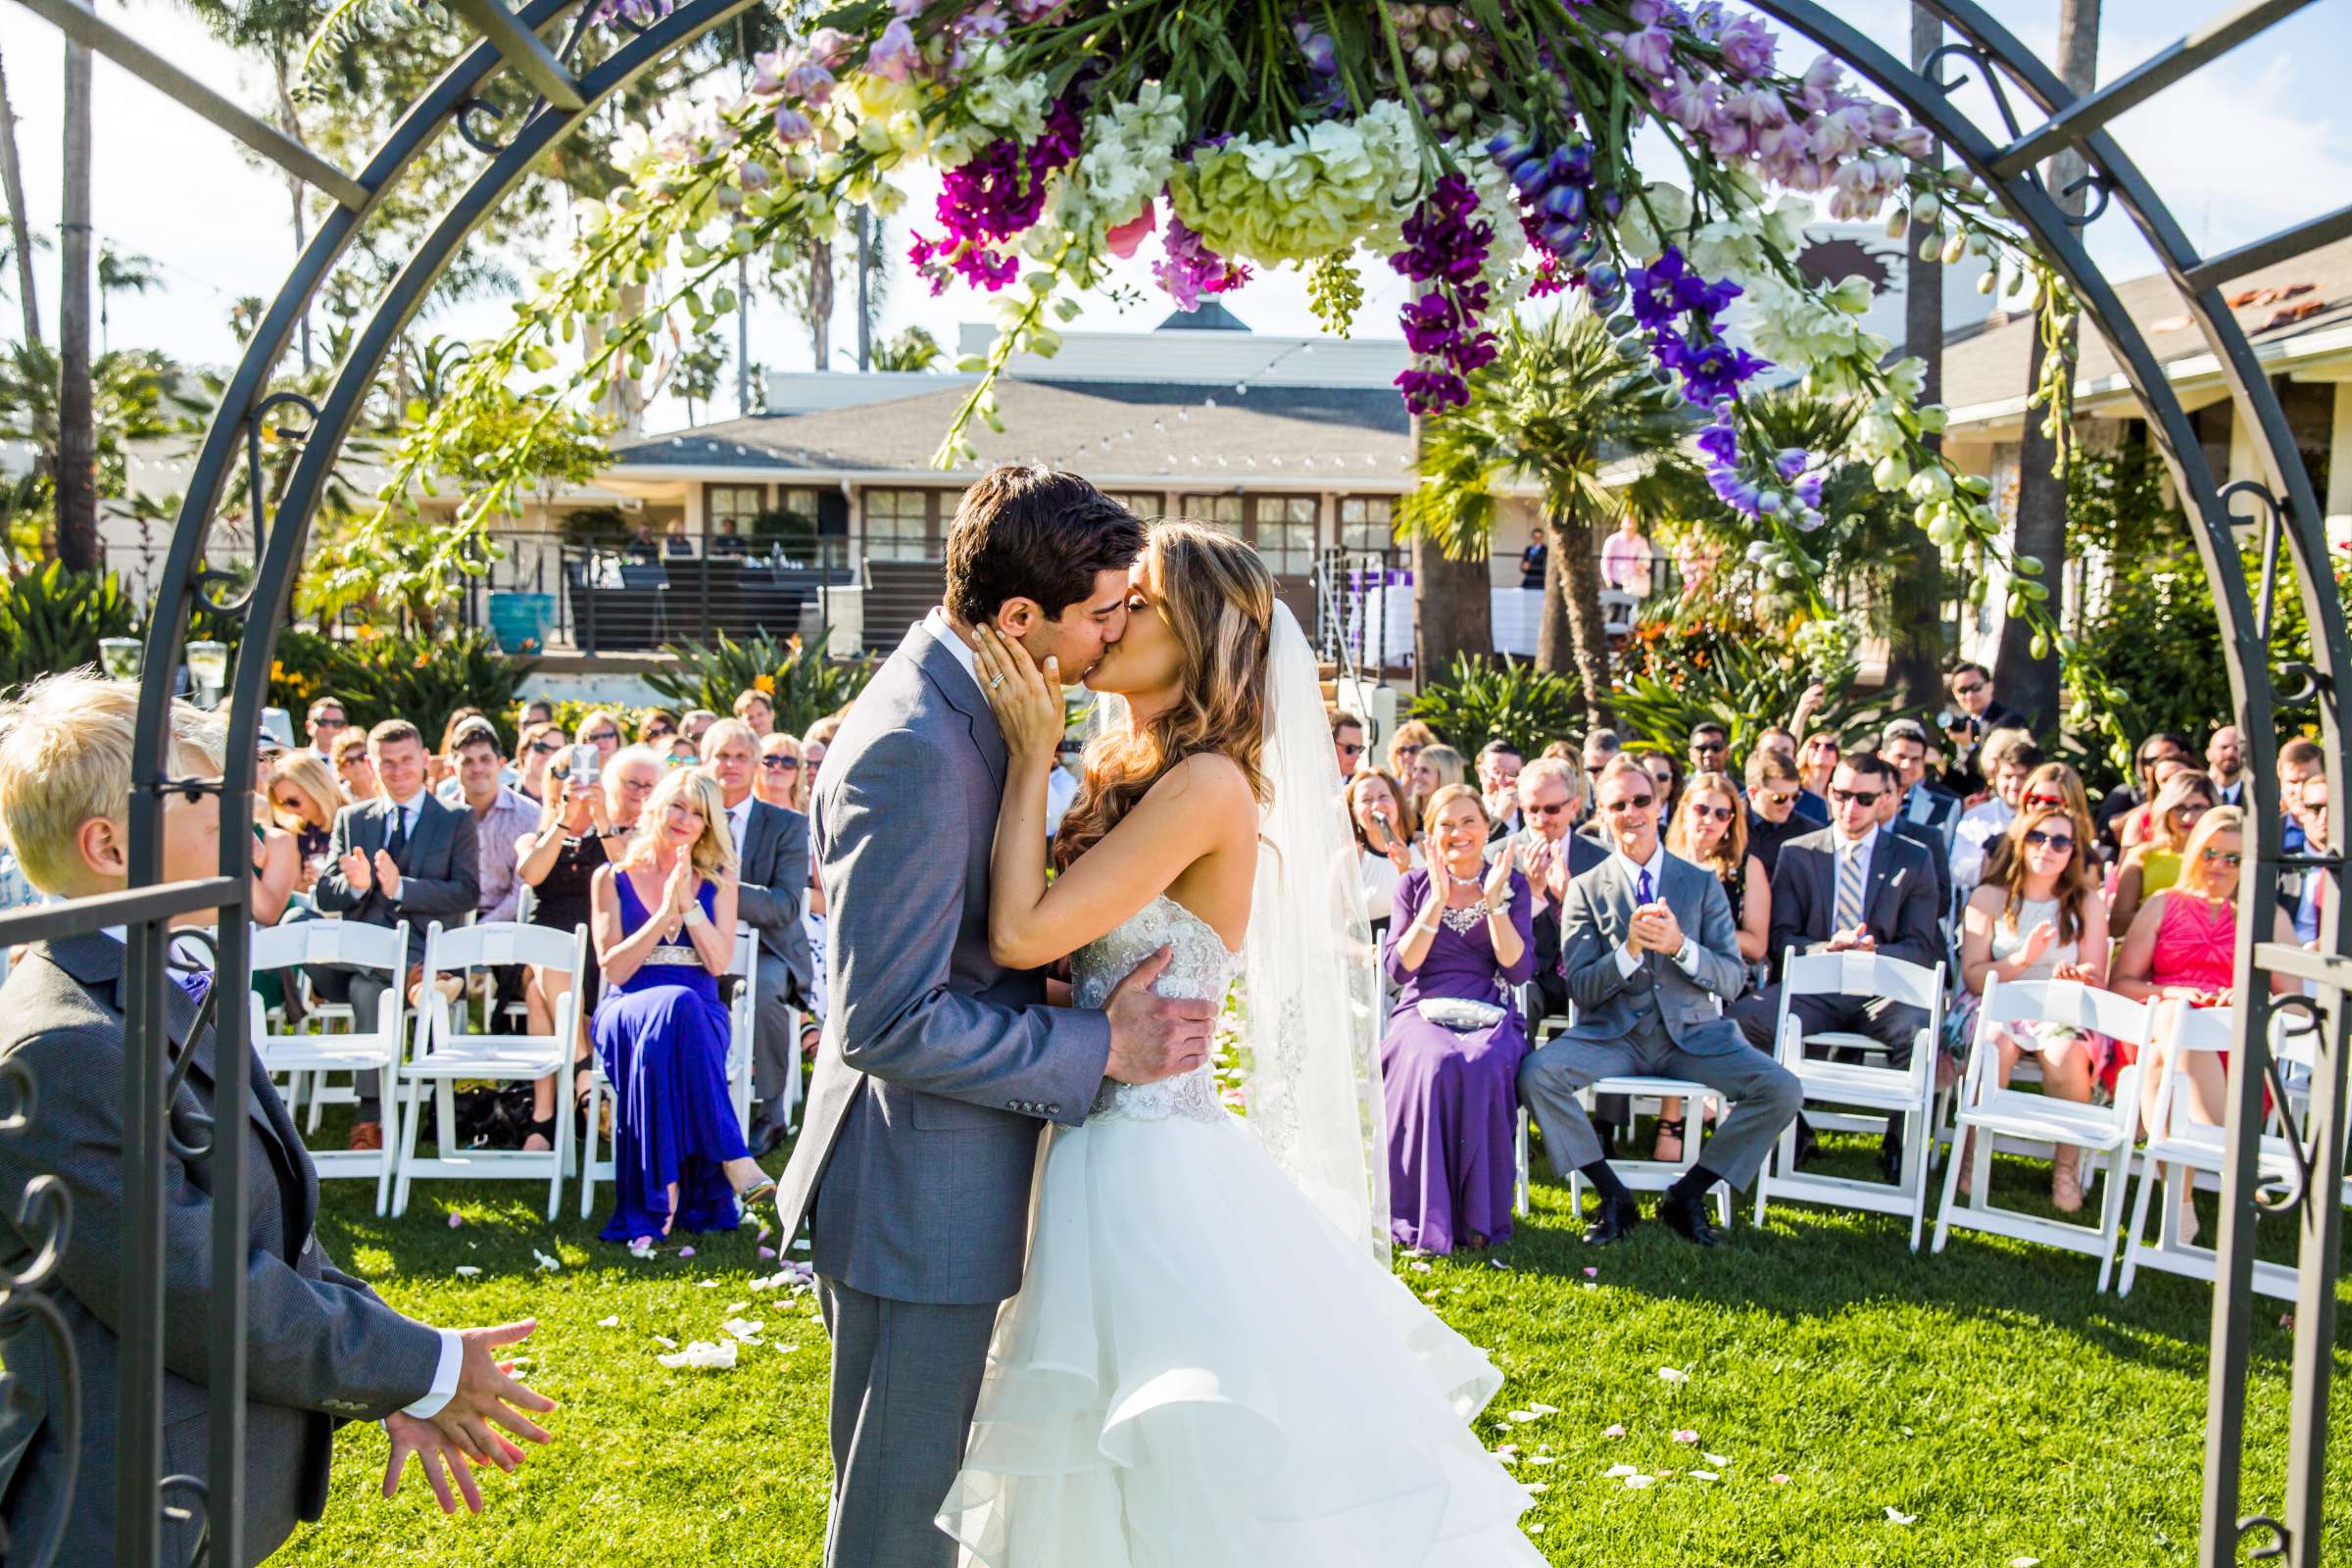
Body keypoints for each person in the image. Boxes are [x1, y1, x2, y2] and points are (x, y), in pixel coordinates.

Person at [949, 514, 1547, 1561]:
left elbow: (1021, 927)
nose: (1110, 617)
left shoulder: (1207, 787)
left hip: (1149, 1166)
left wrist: (1028, 751)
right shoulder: (1137, 769)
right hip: (1094, 1139)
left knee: (1169, 1472)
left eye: (1137, 603)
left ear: (1200, 640)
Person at [0, 672, 555, 1561]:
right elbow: (197, 1287)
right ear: (109, 844)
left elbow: (263, 1226)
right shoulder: (65, 1044)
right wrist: (424, 1369)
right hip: (118, 1504)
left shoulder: (167, 972)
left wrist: (398, 1376)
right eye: (201, 800)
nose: (246, 824)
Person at [772, 466, 1214, 1568]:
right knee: (899, 1523)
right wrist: (1097, 1044)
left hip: (949, 1178)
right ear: (1018, 617)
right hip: (922, 1199)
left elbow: (955, 950)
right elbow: (886, 1018)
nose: (1115, 634)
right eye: (1103, 610)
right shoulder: (919, 746)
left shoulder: (974, 705)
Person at [1518, 756, 1803, 1247]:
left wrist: (1680, 947)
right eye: (1618, 804)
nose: (1631, 812)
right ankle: (1612, 1194)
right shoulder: (1586, 890)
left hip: (1693, 1035)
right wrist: (1628, 952)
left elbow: (1733, 978)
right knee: (1536, 1075)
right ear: (1602, 814)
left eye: (1641, 801)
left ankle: (1689, 1193)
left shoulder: (1700, 882)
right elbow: (1582, 987)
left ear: (1660, 805)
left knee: (1782, 1090)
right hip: (1614, 1034)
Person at [588, 768, 775, 1244]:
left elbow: (717, 963)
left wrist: (690, 906)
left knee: (683, 1009)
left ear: (709, 825)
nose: (685, 819)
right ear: (655, 806)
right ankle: (733, 1157)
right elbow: (615, 970)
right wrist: (663, 913)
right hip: (627, 1009)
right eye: (678, 806)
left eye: (698, 813)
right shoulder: (611, 877)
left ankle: (661, 1194)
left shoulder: (720, 880)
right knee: (677, 1005)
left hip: (698, 1015)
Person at [1735, 752, 1942, 1178]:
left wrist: (1873, 955)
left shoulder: (1914, 857)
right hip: (1817, 988)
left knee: (1922, 1033)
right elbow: (1781, 939)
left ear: (1886, 798)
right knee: (1739, 1023)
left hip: (1884, 990)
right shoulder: (1798, 853)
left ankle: (1898, 1142)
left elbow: (1922, 947)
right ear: (1828, 792)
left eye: (1864, 799)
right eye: (1841, 794)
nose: (1851, 808)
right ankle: (1793, 1125)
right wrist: (1826, 949)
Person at [2110, 806, 2297, 1244]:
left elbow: (2297, 1008)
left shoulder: (2268, 918)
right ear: (2196, 851)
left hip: (2235, 1050)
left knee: (2164, 1056)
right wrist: (2175, 994)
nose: (2220, 866)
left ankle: (2182, 1202)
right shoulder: (2163, 905)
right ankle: (2238, 1169)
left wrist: (2251, 1000)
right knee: (2176, 1022)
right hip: (2158, 1024)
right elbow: (2121, 985)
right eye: (2212, 853)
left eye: (2234, 859)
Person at [310, 720, 480, 1152]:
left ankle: (370, 1117)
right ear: (371, 764)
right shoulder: (352, 819)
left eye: (407, 760)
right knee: (300, 930)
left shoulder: (455, 820)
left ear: (425, 760)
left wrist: (400, 888)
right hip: (372, 953)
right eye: (387, 762)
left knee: (367, 990)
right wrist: (358, 884)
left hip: (424, 944)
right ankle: (413, 977)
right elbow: (325, 892)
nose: (398, 770)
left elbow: (466, 891)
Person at [1380, 784, 1533, 1253]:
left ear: (1487, 829)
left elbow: (1518, 968)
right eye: (1446, 824)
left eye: (1469, 822)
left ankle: (1477, 1219)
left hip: (1490, 1004)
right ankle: (1423, 1214)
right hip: (1422, 1007)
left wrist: (1492, 902)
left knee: (1484, 1062)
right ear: (1430, 834)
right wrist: (1436, 901)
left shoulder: (1513, 884)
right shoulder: (1413, 885)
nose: (1458, 832)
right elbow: (1399, 969)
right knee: (1433, 1063)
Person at [1954, 803, 2110, 1208]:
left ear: (2073, 852)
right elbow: (1973, 977)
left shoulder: (2086, 902)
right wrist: (2022, 960)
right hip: (1995, 1002)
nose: (2048, 848)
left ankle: (2065, 1169)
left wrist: (2077, 977)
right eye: (2038, 838)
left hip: (2060, 1009)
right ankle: (1971, 1157)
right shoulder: (1988, 897)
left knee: (2067, 1053)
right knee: (1994, 1044)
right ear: (2021, 843)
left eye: (2060, 841)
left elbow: (2097, 978)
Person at [515, 749, 652, 1152]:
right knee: (547, 960)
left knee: (538, 997)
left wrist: (599, 819)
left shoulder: (617, 833)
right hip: (543, 945)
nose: (573, 780)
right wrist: (564, 822)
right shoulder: (533, 836)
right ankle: (584, 1079)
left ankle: (543, 1118)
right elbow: (531, 873)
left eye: (583, 773)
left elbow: (629, 875)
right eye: (562, 773)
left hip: (598, 953)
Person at [701, 717, 816, 1159]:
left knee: (765, 991)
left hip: (769, 950)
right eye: (721, 755)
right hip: (698, 946)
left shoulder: (786, 825)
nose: (730, 765)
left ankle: (771, 1112)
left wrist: (714, 885)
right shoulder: (690, 816)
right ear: (705, 761)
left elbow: (785, 905)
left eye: (740, 757)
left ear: (754, 765)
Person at [1652, 767, 1769, 1161]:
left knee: (1687, 1007)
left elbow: (1756, 942)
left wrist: (1698, 936)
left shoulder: (1745, 868)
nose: (1711, 820)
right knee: (1672, 1002)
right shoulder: (1660, 863)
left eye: (1723, 814)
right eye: (1703, 809)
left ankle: (1673, 1124)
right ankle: (1681, 1116)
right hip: (1666, 973)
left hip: (1726, 977)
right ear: (1683, 810)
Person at [1492, 758, 1607, 1030]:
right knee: (1517, 999)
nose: (1541, 819)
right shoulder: (1497, 857)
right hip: (1530, 976)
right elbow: (1496, 937)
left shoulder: (1602, 858)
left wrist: (1570, 900)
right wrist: (1532, 895)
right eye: (1532, 810)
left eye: (1552, 809)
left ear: (1574, 806)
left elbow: (1610, 930)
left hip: (1586, 972)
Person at [443, 719, 539, 925]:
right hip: (450, 924)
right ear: (452, 769)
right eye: (467, 761)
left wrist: (481, 929)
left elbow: (523, 889)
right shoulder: (441, 815)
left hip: (508, 926)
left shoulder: (528, 814)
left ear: (501, 764)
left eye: (485, 759)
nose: (477, 768)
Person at [2111, 768, 2217, 933]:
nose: (2187, 817)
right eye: (2180, 807)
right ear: (2165, 810)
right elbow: (2116, 924)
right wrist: (2173, 918)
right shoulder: (2142, 857)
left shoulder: (2226, 860)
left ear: (2213, 809)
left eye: (2197, 807)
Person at [1949, 728, 2041, 894]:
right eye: (2007, 777)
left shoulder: (2048, 818)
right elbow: (1957, 869)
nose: (2014, 785)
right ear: (1995, 777)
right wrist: (1996, 861)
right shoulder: (1976, 817)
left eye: (2022, 777)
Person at [1348, 768, 1421, 939]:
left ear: (1397, 802)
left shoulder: (1423, 847)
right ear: (1353, 811)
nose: (1376, 806)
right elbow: (1332, 930)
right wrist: (1366, 954)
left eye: (1383, 796)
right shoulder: (1349, 859)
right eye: (1366, 799)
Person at [2096, 730, 2190, 856]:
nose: (2163, 763)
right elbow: (2106, 830)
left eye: (2171, 757)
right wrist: (2152, 806)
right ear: (2142, 765)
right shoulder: (2126, 793)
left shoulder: (2203, 793)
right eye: (2153, 760)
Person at [1938, 662, 2025, 793]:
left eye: (1976, 687)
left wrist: (1968, 746)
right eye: (1962, 690)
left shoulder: (2009, 721)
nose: (1969, 695)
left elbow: (1998, 768)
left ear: (1990, 686)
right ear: (1954, 693)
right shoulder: (1962, 722)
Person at [267, 750, 343, 880]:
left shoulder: (352, 822)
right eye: (282, 803)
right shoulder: (296, 830)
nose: (289, 810)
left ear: (316, 789)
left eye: (293, 801)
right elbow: (296, 888)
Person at [1744, 746, 1811, 879]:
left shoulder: (1809, 836)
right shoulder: (1725, 824)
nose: (1789, 805)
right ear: (1753, 793)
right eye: (1779, 798)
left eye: (1795, 797)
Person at [2278, 736, 2325, 857]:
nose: (2299, 790)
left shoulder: (2344, 832)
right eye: (2292, 782)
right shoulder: (2265, 835)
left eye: (2308, 780)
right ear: (2280, 780)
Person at [1406, 741, 1466, 826]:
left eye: (1424, 771)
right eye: (1415, 769)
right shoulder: (1404, 812)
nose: (1415, 776)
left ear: (1446, 774)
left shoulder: (1464, 816)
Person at [1476, 737, 1525, 839]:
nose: (1501, 783)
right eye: (1495, 773)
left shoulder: (1532, 814)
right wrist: (1498, 819)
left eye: (1511, 774)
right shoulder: (1469, 812)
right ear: (1481, 773)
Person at [513, 718, 566, 803]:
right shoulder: (500, 796)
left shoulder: (569, 801)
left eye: (557, 751)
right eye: (541, 748)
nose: (550, 756)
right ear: (524, 752)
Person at [1599, 514, 1652, 594]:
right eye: (1628, 522)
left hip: (1634, 583)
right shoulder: (1613, 540)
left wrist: (1642, 566)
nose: (1630, 525)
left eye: (1632, 522)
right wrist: (1608, 579)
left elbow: (1646, 559)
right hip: (1616, 581)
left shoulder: (1641, 541)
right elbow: (1606, 561)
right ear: (1622, 524)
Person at [755, 729, 806, 810]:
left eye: (788, 761)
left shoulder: (811, 816)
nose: (778, 765)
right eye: (770, 759)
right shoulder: (741, 813)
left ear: (798, 771)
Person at [1633, 747, 1682, 829]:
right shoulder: (1628, 815)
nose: (1654, 782)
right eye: (1648, 776)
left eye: (1662, 777)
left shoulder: (1684, 818)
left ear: (1672, 782)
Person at [329, 726, 377, 804]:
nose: (357, 765)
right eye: (348, 761)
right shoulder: (337, 799)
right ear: (339, 769)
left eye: (361, 757)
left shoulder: (389, 788)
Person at [1385, 716, 1437, 780]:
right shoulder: (1388, 788)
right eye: (1402, 750)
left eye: (1414, 749)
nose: (1407, 756)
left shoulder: (1438, 789)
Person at [2206, 723, 2246, 806]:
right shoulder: (2193, 790)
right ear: (2208, 753)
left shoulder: (2258, 794)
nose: (2230, 753)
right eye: (2224, 747)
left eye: (2237, 748)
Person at [306, 694, 350, 760]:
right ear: (309, 726)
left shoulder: (356, 764)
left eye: (336, 723)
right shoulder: (293, 763)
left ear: (345, 729)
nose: (329, 729)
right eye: (322, 722)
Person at [1331, 708, 1369, 782]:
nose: (1357, 756)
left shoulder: (1360, 788)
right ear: (1330, 746)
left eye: (1360, 749)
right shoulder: (1305, 783)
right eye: (1350, 748)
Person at [1517, 525, 1547, 590]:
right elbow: (1523, 565)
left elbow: (1546, 567)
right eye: (1535, 537)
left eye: (1539, 537)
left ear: (1542, 538)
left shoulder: (1545, 550)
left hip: (1540, 582)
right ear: (1532, 537)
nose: (1537, 540)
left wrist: (1531, 566)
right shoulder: (1528, 549)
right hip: (1528, 580)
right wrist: (1524, 567)